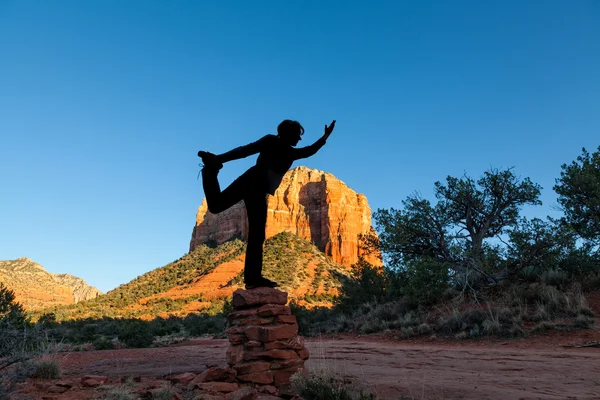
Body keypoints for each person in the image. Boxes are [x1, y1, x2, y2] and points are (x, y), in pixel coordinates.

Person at [198, 119, 336, 289]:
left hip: (250, 182)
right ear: (288, 133)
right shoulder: (274, 142)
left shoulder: (285, 149)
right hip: (255, 187)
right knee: (255, 234)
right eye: (297, 135)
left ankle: (210, 170)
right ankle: (253, 279)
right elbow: (245, 151)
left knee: (218, 206)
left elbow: (244, 151)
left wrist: (325, 136)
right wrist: (325, 137)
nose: (299, 139)